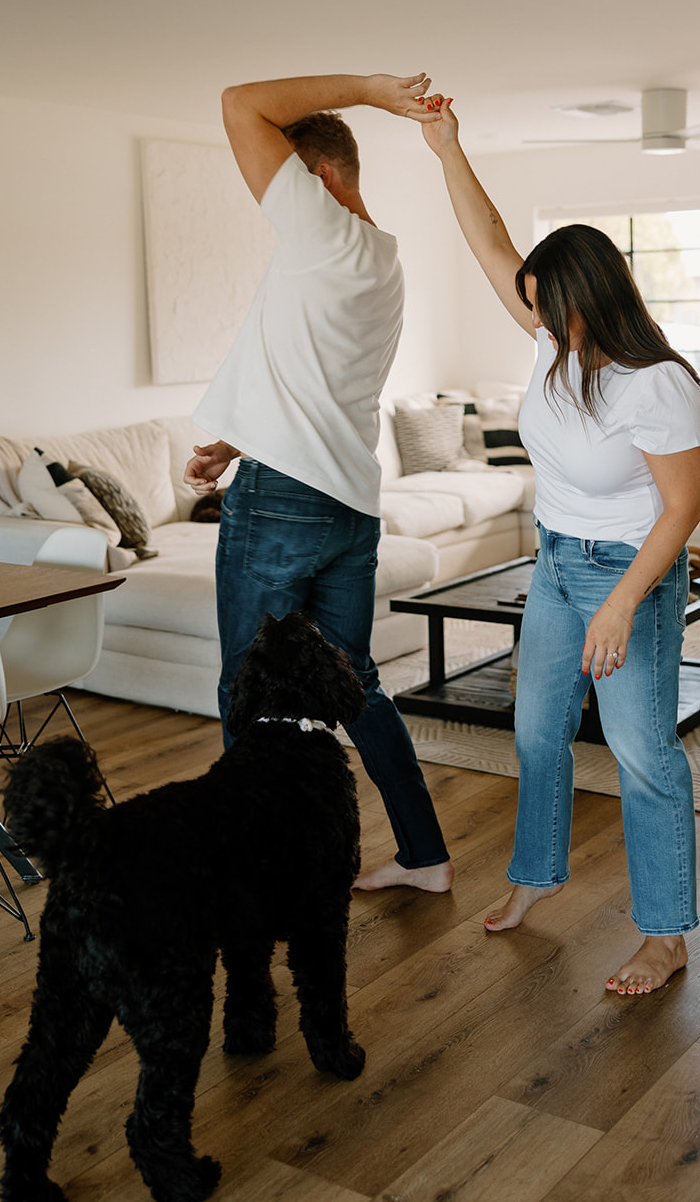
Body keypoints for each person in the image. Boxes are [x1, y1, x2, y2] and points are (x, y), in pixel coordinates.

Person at [418, 92, 700, 993]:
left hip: (629, 575)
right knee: (536, 733)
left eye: (547, 307)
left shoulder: (650, 384)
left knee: (641, 754)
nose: (533, 319)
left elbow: (681, 510)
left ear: (590, 298)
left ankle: (664, 935)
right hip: (552, 563)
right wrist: (444, 148)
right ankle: (533, 876)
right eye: (531, 307)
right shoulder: (554, 345)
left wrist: (620, 604)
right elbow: (491, 239)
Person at [185, 71, 453, 894]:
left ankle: (255, 867)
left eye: (285, 178)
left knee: (246, 684)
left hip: (283, 504)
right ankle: (423, 855)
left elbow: (237, 100)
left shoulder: (318, 229)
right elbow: (315, 380)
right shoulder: (381, 259)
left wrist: (373, 89)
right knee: (355, 683)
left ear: (320, 177)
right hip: (346, 502)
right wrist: (233, 441)